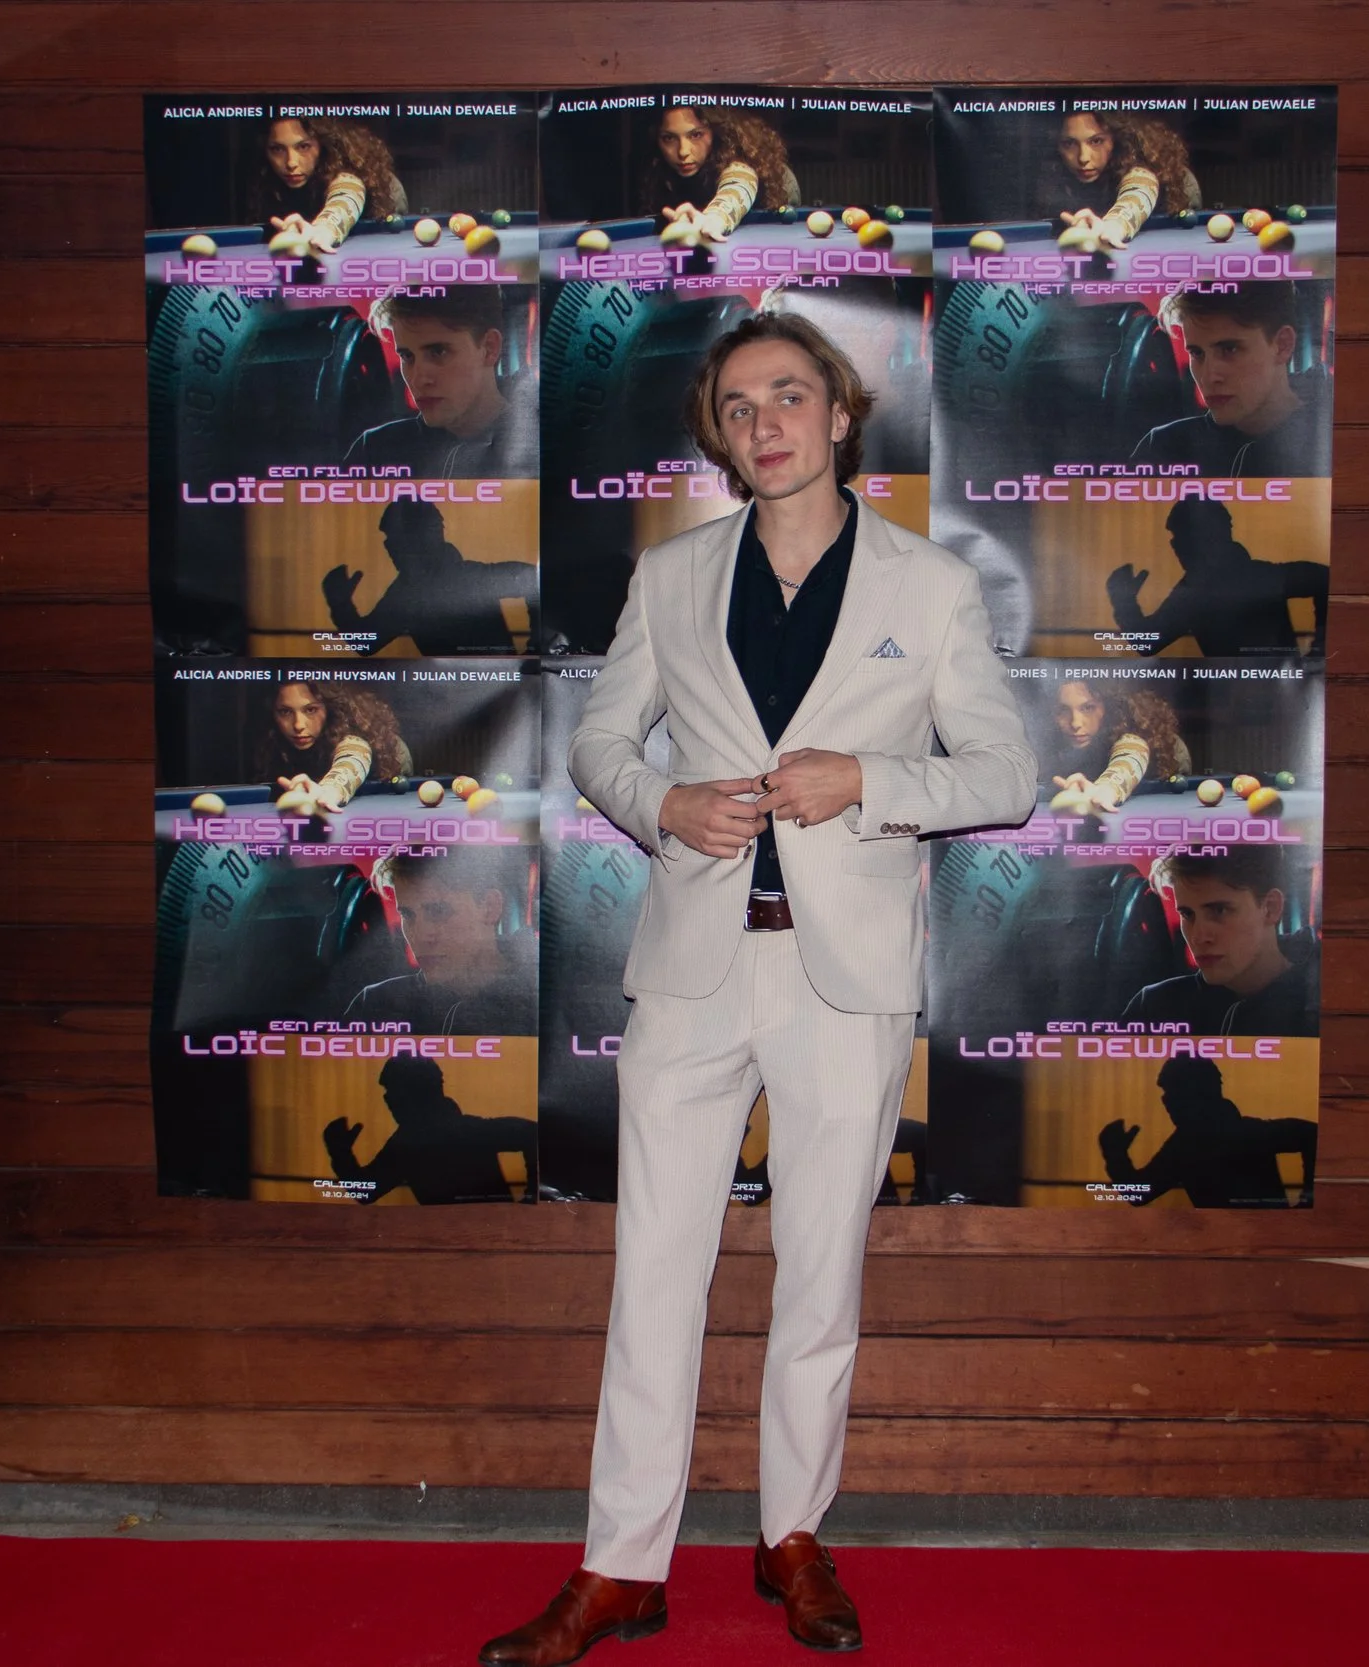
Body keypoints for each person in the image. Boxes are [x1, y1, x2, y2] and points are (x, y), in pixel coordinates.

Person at [479, 312, 1033, 1664]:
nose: (766, 421)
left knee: (818, 1273)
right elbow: (603, 741)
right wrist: (664, 799)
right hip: (690, 969)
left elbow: (1008, 777)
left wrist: (873, 783)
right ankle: (621, 1564)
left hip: (844, 978)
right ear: (721, 436)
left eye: (791, 395)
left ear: (841, 415)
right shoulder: (671, 578)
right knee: (652, 1269)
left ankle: (793, 1535)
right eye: (739, 405)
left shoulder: (929, 585)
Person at [1130, 285, 1330, 478]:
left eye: (1230, 349)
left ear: (1282, 345)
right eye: (1197, 353)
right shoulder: (1164, 448)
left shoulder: (1327, 440)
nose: (1209, 377)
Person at [343, 286, 540, 479]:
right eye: (407, 356)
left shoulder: (540, 443)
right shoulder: (374, 452)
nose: (418, 379)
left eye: (438, 352)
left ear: (489, 348)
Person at [1119, 849, 1319, 1037]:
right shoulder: (1153, 1009)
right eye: (1187, 914)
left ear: (1270, 908)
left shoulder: (1320, 998)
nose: (1199, 936)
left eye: (1219, 910)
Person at [341, 848, 538, 1035]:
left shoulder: (541, 994)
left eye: (439, 912)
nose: (420, 936)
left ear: (489, 908)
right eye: (408, 915)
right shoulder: (375, 1004)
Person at [1108, 499, 1330, 656]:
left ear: (1206, 537)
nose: (1175, 545)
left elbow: (1147, 643)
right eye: (1176, 537)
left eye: (1181, 536)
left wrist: (1124, 601)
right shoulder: (1261, 575)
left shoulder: (1195, 594)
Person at [322, 499, 536, 657]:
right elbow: (367, 643)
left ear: (421, 537)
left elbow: (533, 580)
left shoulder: (412, 592)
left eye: (395, 539)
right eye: (389, 540)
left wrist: (536, 648)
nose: (389, 547)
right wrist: (341, 604)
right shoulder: (406, 594)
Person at [1099, 1056, 1317, 1206]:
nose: (1167, 1101)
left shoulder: (1189, 1145)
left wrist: (1115, 1155)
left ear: (1199, 1092)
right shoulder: (1242, 1132)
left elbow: (1139, 1194)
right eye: (1167, 1093)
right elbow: (1140, 1193)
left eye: (1174, 1092)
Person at [322, 1055, 535, 1205]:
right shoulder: (465, 1130)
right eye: (388, 1092)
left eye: (394, 1090)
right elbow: (366, 1191)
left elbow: (366, 1192)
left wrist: (340, 1154)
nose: (388, 1099)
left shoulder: (408, 1144)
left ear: (417, 1092)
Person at [1036, 109, 1199, 247]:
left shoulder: (1136, 165)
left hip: (1181, 202)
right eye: (1069, 143)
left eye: (1096, 141)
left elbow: (1140, 190)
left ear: (1116, 139)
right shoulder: (1054, 175)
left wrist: (1114, 226)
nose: (1083, 158)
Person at [641, 103, 798, 241]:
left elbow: (739, 183)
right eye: (669, 138)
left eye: (696, 135)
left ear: (716, 133)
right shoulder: (660, 171)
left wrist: (714, 219)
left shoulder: (736, 160)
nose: (683, 151)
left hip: (781, 201)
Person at [246, 115, 402, 253]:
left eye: (303, 147)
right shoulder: (268, 183)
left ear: (323, 145)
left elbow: (347, 196)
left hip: (390, 205)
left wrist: (323, 230)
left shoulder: (345, 174)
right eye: (277, 149)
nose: (291, 162)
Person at [253, 677, 410, 811]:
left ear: (329, 709)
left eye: (311, 710)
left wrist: (328, 791)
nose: (298, 725)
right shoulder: (274, 746)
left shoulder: (350, 737)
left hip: (394, 764)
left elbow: (354, 756)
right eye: (285, 712)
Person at [1048, 679, 1190, 811]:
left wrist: (1106, 789)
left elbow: (1131, 753)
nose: (1075, 723)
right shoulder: (1051, 742)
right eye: (1064, 710)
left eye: (1088, 708)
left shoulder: (1130, 734)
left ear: (1109, 708)